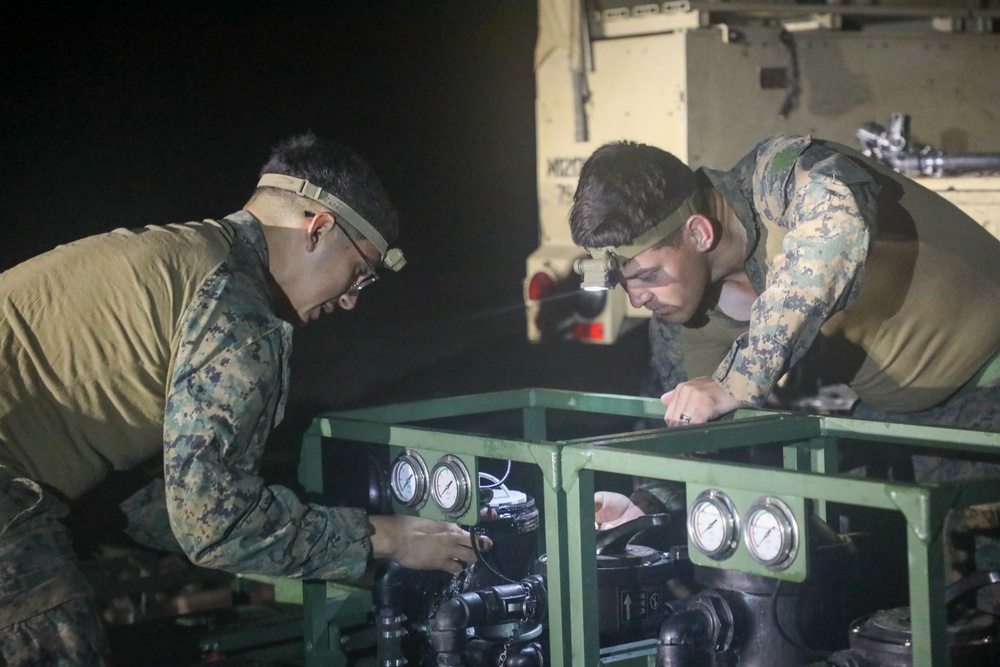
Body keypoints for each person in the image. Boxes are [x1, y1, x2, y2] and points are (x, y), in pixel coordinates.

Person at [0, 133, 487, 665]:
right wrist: (390, 539)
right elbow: (215, 525)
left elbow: (145, 497)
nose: (349, 300)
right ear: (318, 228)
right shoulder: (240, 311)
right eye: (360, 274)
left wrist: (330, 552)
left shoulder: (188, 255)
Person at [574, 134, 1000, 572]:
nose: (638, 299)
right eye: (627, 283)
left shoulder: (783, 174)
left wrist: (738, 380)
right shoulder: (686, 310)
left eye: (647, 276)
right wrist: (647, 503)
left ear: (698, 232)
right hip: (906, 421)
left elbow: (835, 235)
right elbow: (687, 432)